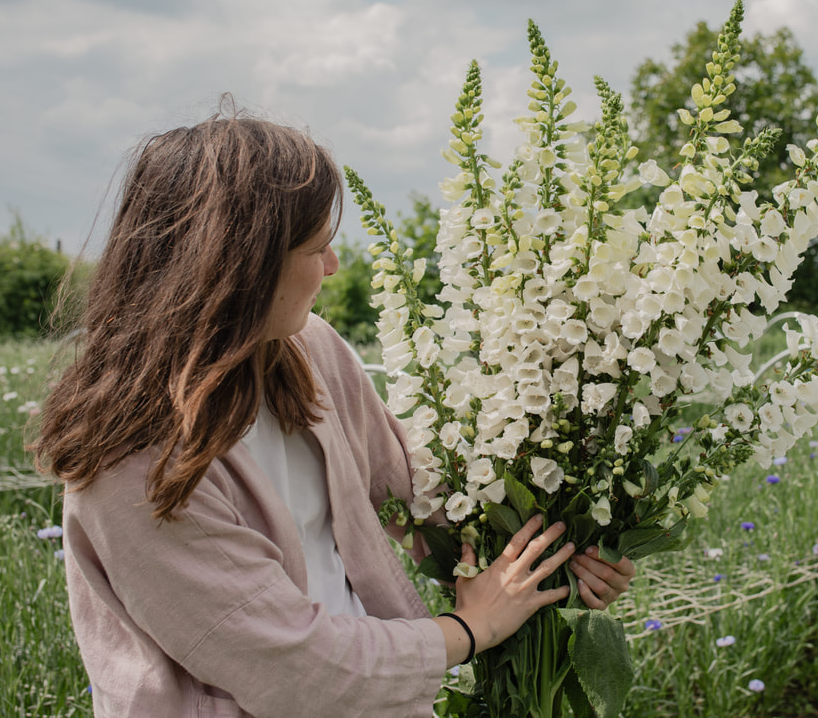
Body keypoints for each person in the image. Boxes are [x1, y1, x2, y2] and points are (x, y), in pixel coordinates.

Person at [32, 103, 635, 717]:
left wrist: (555, 556)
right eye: (316, 247)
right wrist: (471, 628)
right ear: (238, 266)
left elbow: (420, 489)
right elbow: (295, 667)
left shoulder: (306, 351)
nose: (332, 266)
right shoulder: (131, 465)